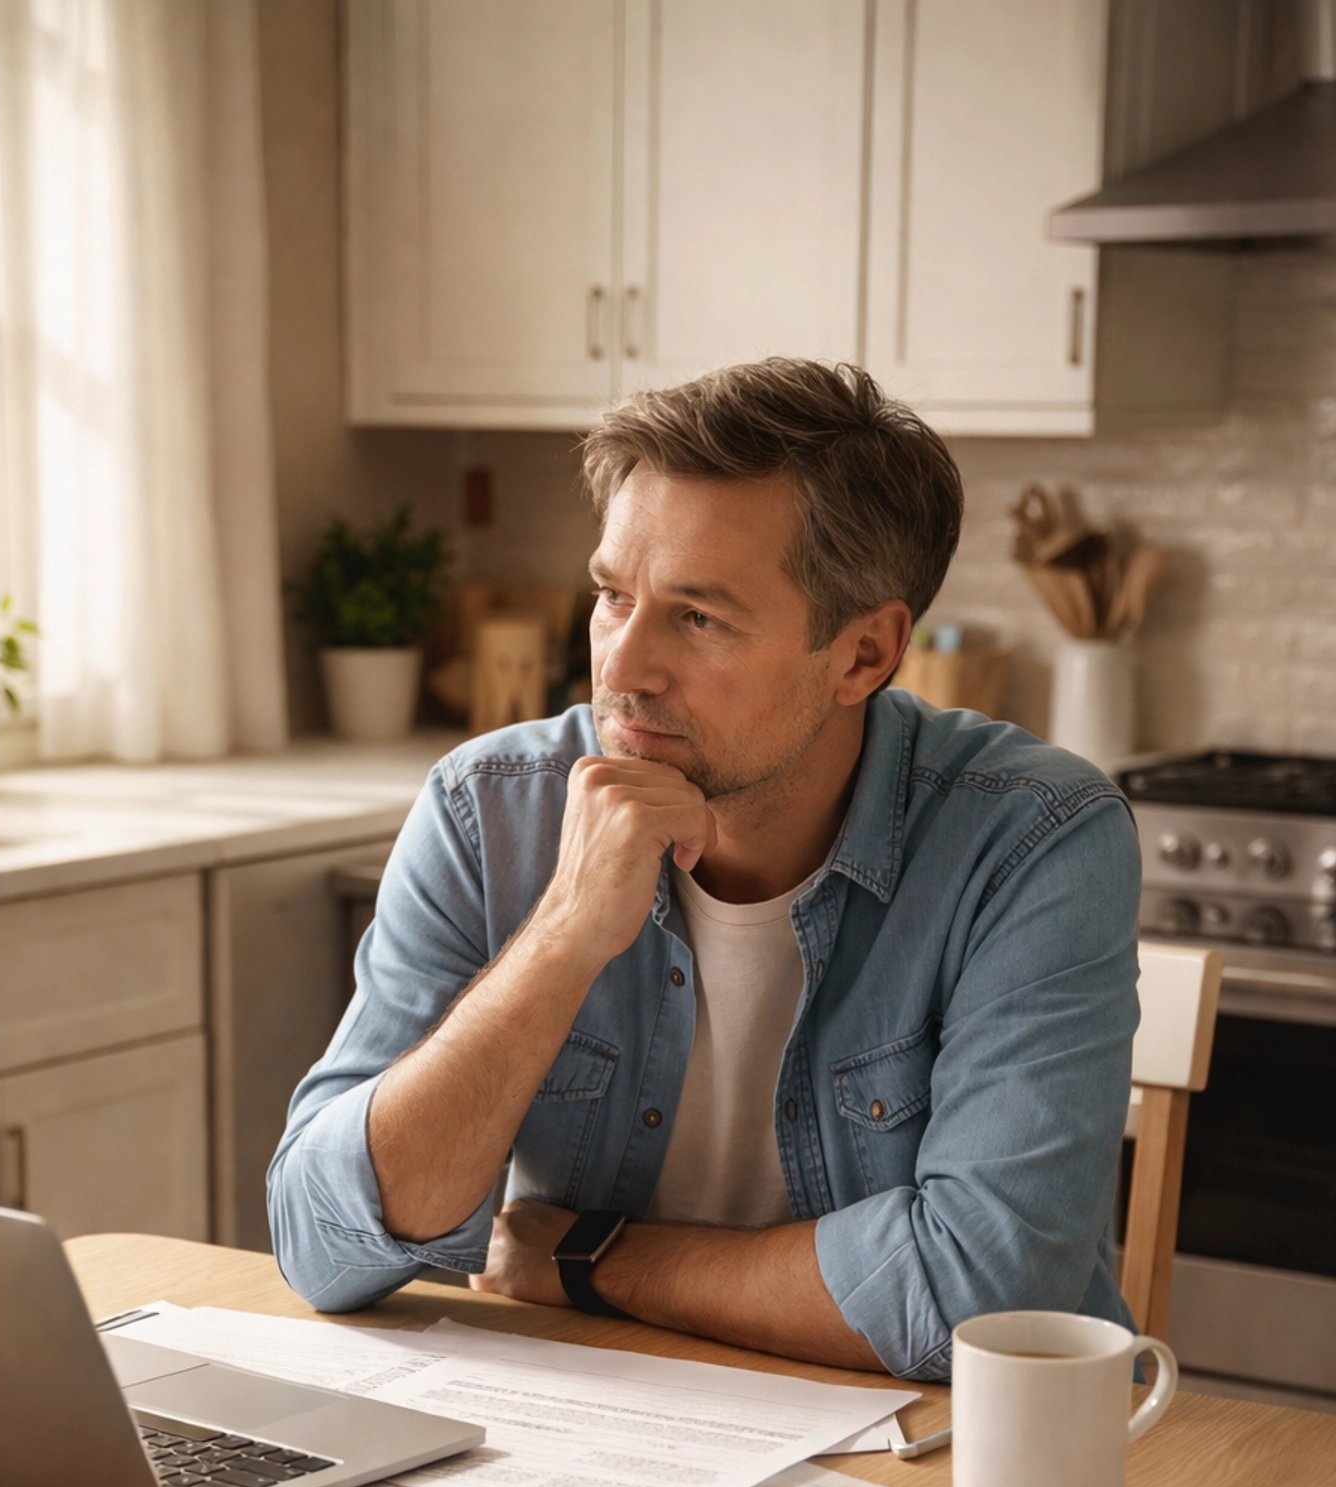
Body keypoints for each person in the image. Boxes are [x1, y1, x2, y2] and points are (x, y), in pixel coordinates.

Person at [269, 358, 1139, 1381]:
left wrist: (595, 1259)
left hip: (941, 1470)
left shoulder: (1036, 838)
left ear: (865, 654)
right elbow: (323, 1245)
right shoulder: (488, 808)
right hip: (605, 1440)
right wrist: (565, 934)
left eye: (697, 617)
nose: (621, 669)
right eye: (610, 596)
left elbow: (988, 1294)